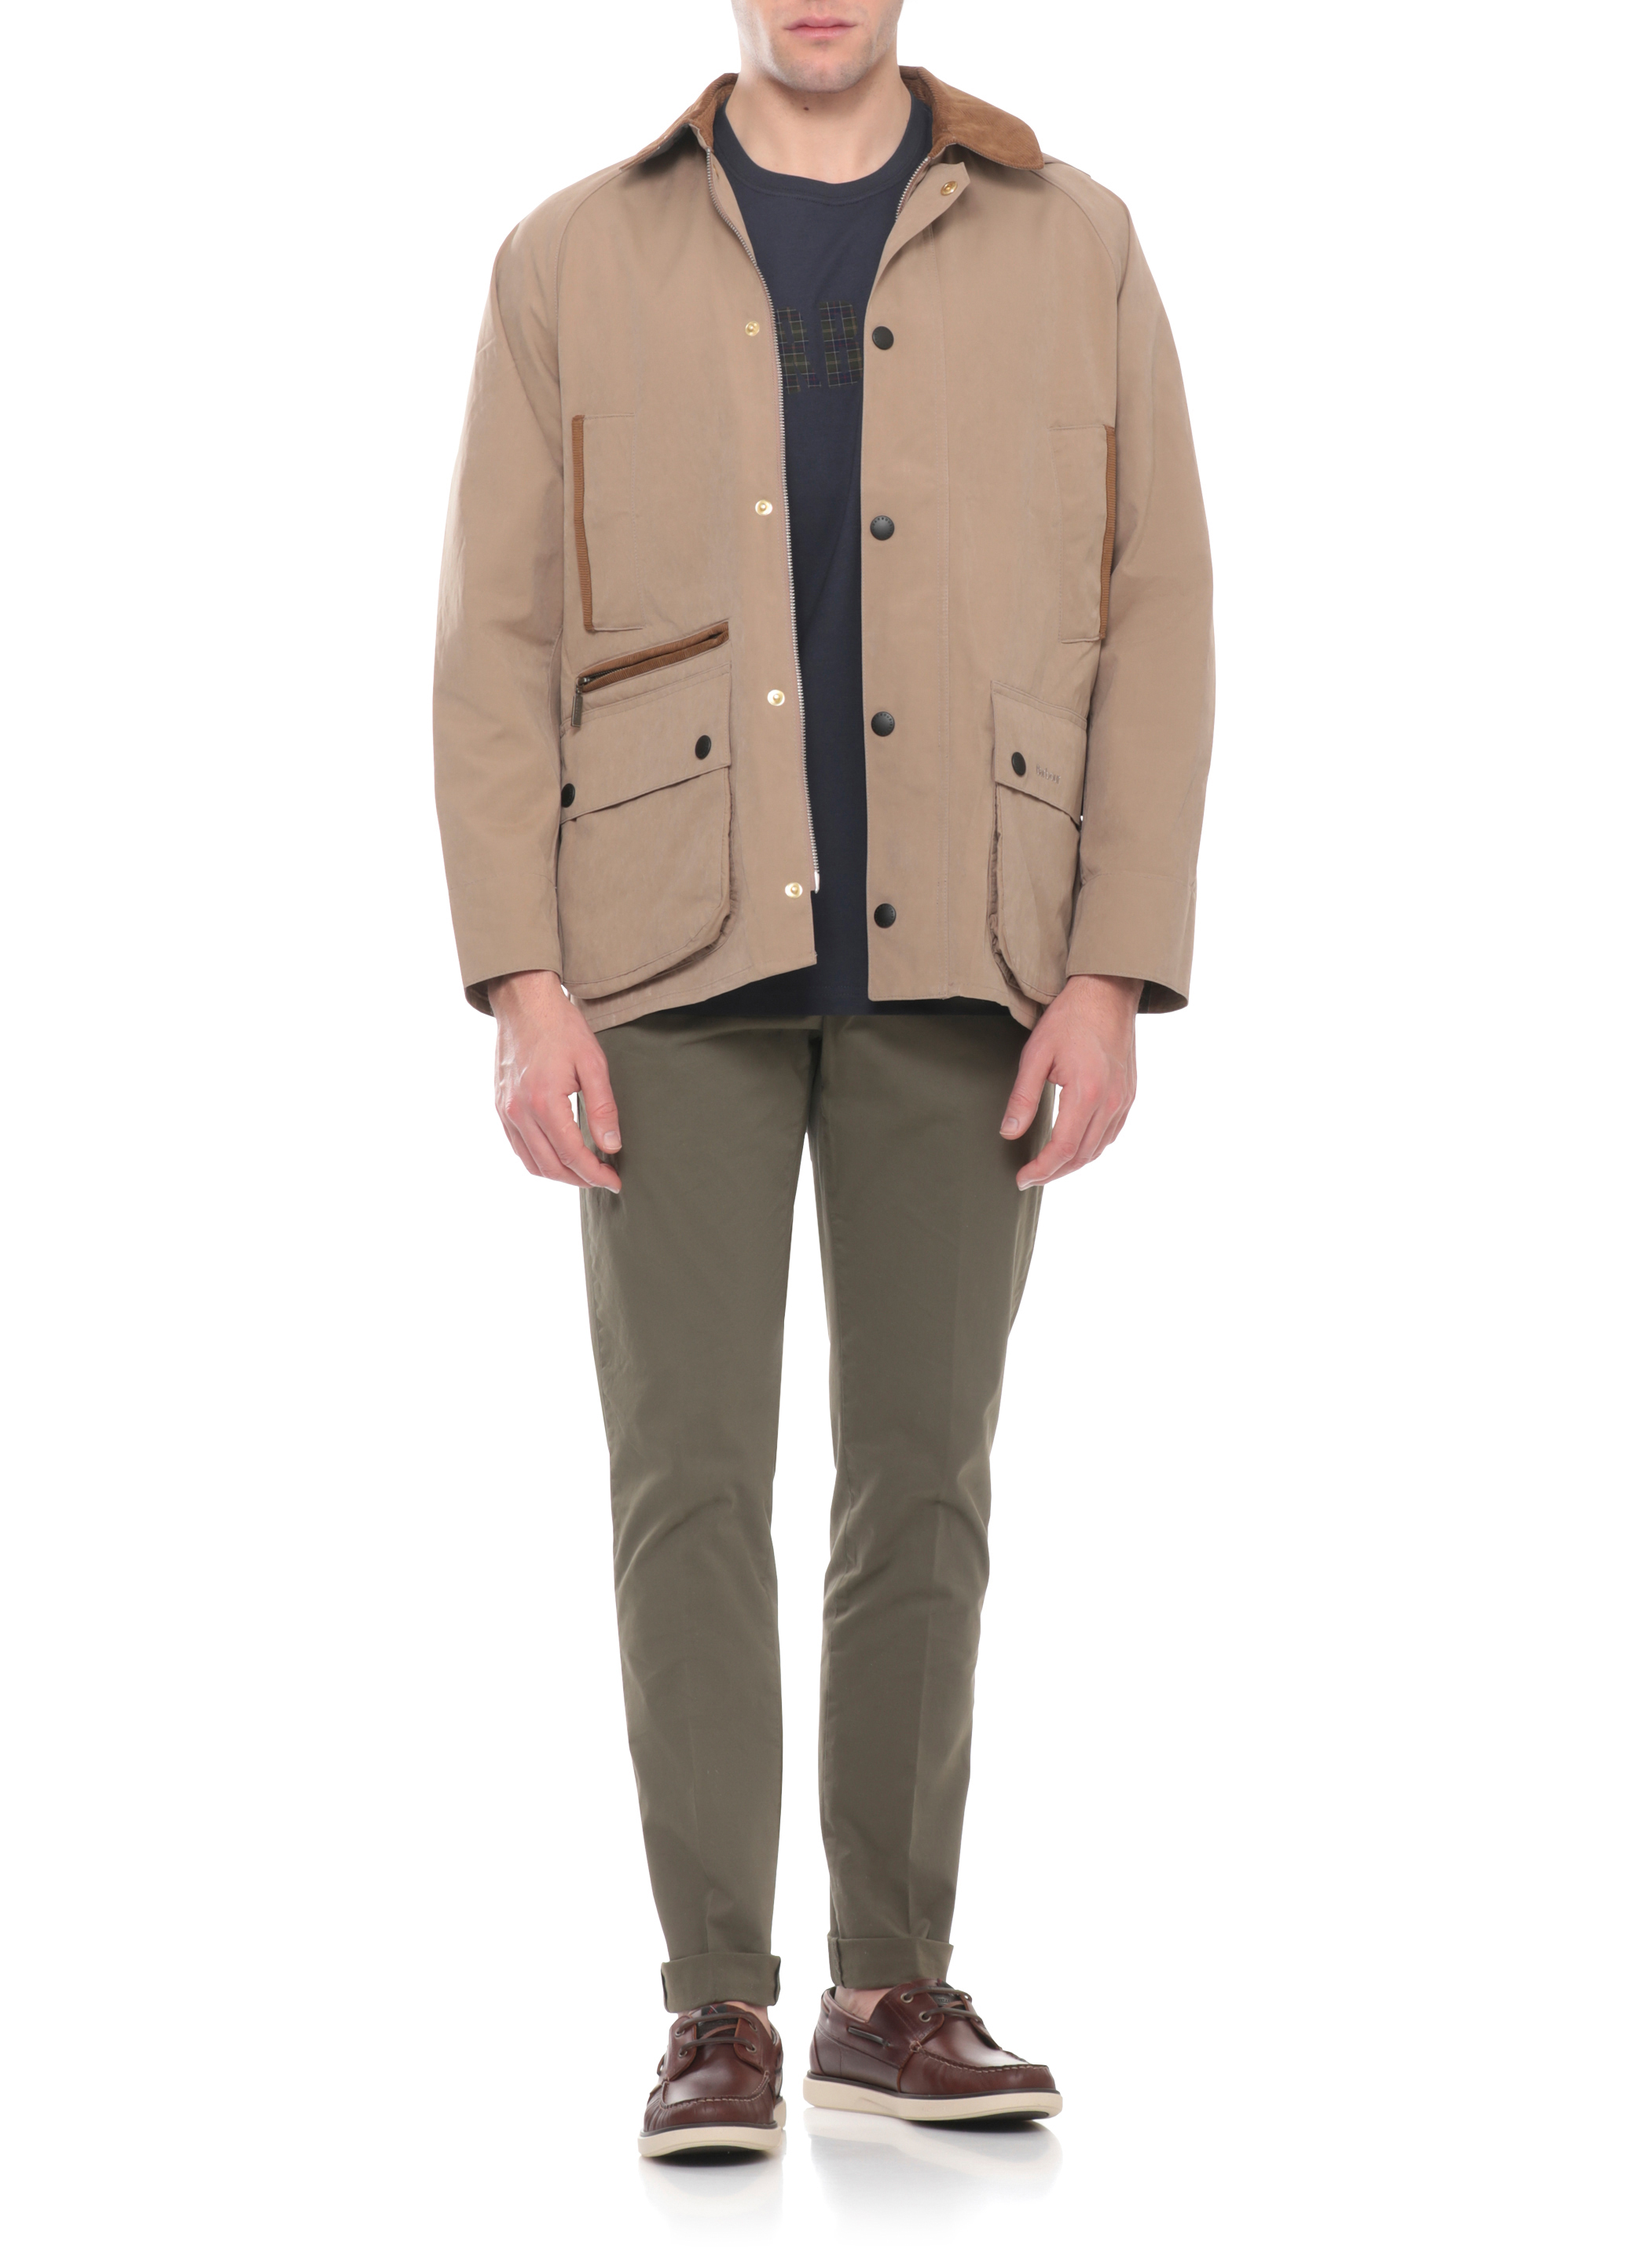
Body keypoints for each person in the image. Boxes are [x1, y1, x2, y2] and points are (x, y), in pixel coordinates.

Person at [433, 0, 1213, 2157]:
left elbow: (1157, 608)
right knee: (685, 1477)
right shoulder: (569, 254)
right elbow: (494, 635)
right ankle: (716, 2006)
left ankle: (889, 1985)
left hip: (972, 950)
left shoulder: (1077, 240)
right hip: (659, 961)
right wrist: (520, 977)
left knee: (924, 1473)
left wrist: (1113, 964)